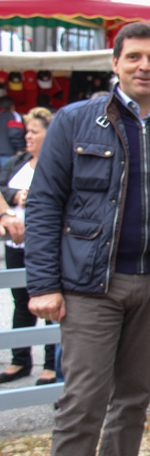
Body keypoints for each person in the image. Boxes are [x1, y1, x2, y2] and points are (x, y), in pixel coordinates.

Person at [25, 22, 150, 456]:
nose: (143, 66)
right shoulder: (74, 122)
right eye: (133, 57)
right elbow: (43, 203)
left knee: (133, 401)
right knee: (83, 402)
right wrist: (44, 285)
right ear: (116, 63)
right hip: (92, 286)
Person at [0, 107, 56, 386]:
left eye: (34, 131)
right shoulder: (18, 161)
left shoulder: (56, 163)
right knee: (20, 302)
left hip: (44, 246)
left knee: (47, 302)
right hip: (15, 244)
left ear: (50, 133)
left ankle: (50, 364)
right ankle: (19, 360)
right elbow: (0, 187)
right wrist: (15, 196)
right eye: (27, 131)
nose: (28, 137)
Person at [0, 96, 25, 167]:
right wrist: (20, 149)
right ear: (12, 106)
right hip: (8, 155)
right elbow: (15, 133)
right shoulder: (12, 115)